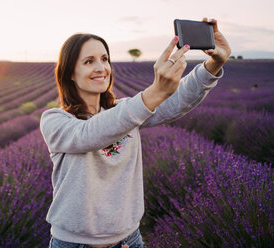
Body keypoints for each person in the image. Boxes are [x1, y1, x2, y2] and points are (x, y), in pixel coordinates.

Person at [40, 17, 231, 248]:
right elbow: (89, 134)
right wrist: (155, 92)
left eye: (104, 59)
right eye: (89, 61)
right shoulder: (56, 121)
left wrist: (213, 65)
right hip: (74, 244)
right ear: (69, 72)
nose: (101, 68)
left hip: (129, 240)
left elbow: (176, 100)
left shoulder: (125, 110)